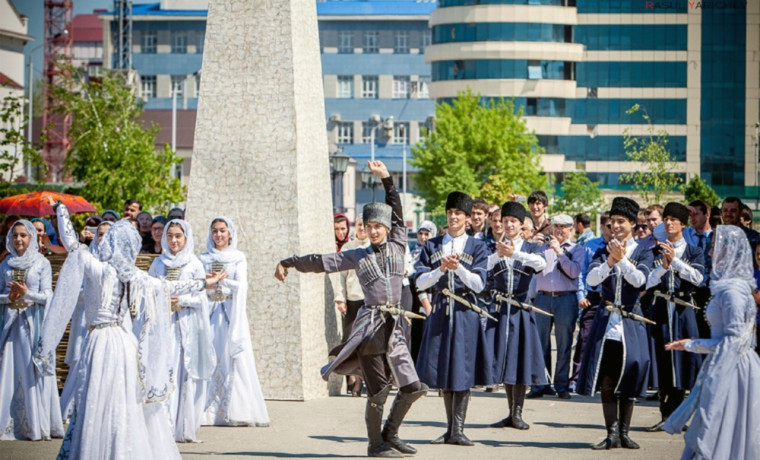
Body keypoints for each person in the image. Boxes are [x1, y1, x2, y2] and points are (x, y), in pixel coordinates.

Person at [34, 200, 227, 459]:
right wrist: (204, 282)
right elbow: (168, 288)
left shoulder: (100, 270)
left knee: (96, 399)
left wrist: (60, 210)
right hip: (124, 343)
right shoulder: (135, 276)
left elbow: (72, 244)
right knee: (122, 401)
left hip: (101, 340)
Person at [275, 161, 426, 458]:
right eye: (368, 227)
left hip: (395, 326)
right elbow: (321, 262)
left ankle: (391, 434)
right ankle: (375, 444)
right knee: (379, 392)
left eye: (377, 226)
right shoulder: (357, 255)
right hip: (370, 327)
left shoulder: (398, 244)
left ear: (386, 228)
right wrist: (289, 262)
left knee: (414, 387)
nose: (373, 231)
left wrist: (386, 179)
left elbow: (397, 211)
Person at [663, 225, 760, 460]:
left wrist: (693, 346)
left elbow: (735, 340)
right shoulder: (732, 288)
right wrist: (691, 343)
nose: (709, 253)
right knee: (723, 429)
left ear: (729, 251)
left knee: (720, 427)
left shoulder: (733, 292)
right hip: (731, 362)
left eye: (714, 247)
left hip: (733, 369)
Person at [577, 197, 653, 450]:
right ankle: (611, 432)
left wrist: (621, 260)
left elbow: (640, 280)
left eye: (621, 221)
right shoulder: (603, 250)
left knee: (629, 376)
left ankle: (624, 432)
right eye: (612, 222)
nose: (616, 226)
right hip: (607, 319)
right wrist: (611, 261)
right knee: (607, 380)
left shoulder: (643, 250)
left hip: (631, 319)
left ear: (632, 223)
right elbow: (592, 279)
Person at [414, 190, 489, 446]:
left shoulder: (478, 246)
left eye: (458, 213)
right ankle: (449, 430)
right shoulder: (433, 244)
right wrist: (441, 269)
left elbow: (479, 284)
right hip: (440, 309)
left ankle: (458, 429)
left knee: (463, 368)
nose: (453, 217)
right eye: (450, 213)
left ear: (468, 218)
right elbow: (420, 281)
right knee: (444, 368)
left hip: (465, 310)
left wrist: (460, 269)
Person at [148, 220, 216, 442]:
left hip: (185, 325)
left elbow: (202, 298)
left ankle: (181, 426)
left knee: (182, 372)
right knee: (163, 370)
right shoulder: (158, 263)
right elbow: (148, 291)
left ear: (186, 238)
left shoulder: (194, 264)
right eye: (170, 236)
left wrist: (182, 300)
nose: (174, 241)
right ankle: (162, 425)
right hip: (163, 326)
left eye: (178, 236)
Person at [200, 217, 270, 428]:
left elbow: (243, 286)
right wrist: (208, 283)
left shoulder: (238, 257)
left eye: (222, 231)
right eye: (215, 231)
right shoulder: (203, 257)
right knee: (209, 356)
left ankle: (235, 409)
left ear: (230, 233)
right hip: (210, 313)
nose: (219, 235)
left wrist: (222, 280)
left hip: (230, 314)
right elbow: (199, 284)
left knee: (233, 357)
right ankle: (206, 410)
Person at [0, 220, 63, 441]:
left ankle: (34, 424)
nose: (19, 239)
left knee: (31, 370)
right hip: (11, 326)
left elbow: (49, 296)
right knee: (10, 368)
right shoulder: (6, 264)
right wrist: (9, 297)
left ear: (32, 238)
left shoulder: (41, 263)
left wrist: (27, 294)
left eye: (23, 235)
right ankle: (9, 423)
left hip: (33, 325)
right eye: (15, 235)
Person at [644, 203, 704, 432]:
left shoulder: (693, 251)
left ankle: (677, 414)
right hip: (660, 307)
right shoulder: (654, 252)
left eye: (673, 219)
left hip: (682, 310)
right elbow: (647, 282)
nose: (668, 223)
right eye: (666, 218)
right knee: (661, 357)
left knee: (682, 360)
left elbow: (698, 278)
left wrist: (675, 261)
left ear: (683, 224)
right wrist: (663, 265)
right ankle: (665, 413)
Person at [487, 201, 547, 430]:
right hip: (501, 309)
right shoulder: (495, 246)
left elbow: (541, 264)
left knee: (520, 361)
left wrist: (516, 253)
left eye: (513, 221)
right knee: (505, 360)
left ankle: (518, 413)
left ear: (522, 225)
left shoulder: (530, 248)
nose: (508, 225)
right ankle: (510, 412)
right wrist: (499, 254)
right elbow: (485, 268)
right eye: (505, 221)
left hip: (521, 308)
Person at [60, 220, 114, 422]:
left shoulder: (119, 263)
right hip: (86, 316)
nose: (103, 238)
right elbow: (75, 286)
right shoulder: (87, 259)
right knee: (83, 360)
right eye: (100, 234)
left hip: (111, 322)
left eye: (108, 235)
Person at [528, 214, 585, 400]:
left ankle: (561, 385)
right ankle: (540, 385)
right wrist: (532, 244)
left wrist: (559, 252)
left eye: (564, 227)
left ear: (571, 229)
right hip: (543, 297)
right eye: (556, 226)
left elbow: (574, 272)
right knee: (540, 343)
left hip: (566, 299)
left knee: (564, 344)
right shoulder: (541, 248)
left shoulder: (577, 249)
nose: (559, 230)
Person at [334, 215, 370, 396]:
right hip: (352, 300)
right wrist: (340, 298)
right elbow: (340, 276)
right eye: (358, 225)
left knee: (366, 343)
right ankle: (351, 377)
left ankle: (360, 383)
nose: (362, 228)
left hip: (369, 302)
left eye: (365, 225)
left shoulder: (373, 247)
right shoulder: (348, 248)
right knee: (349, 341)